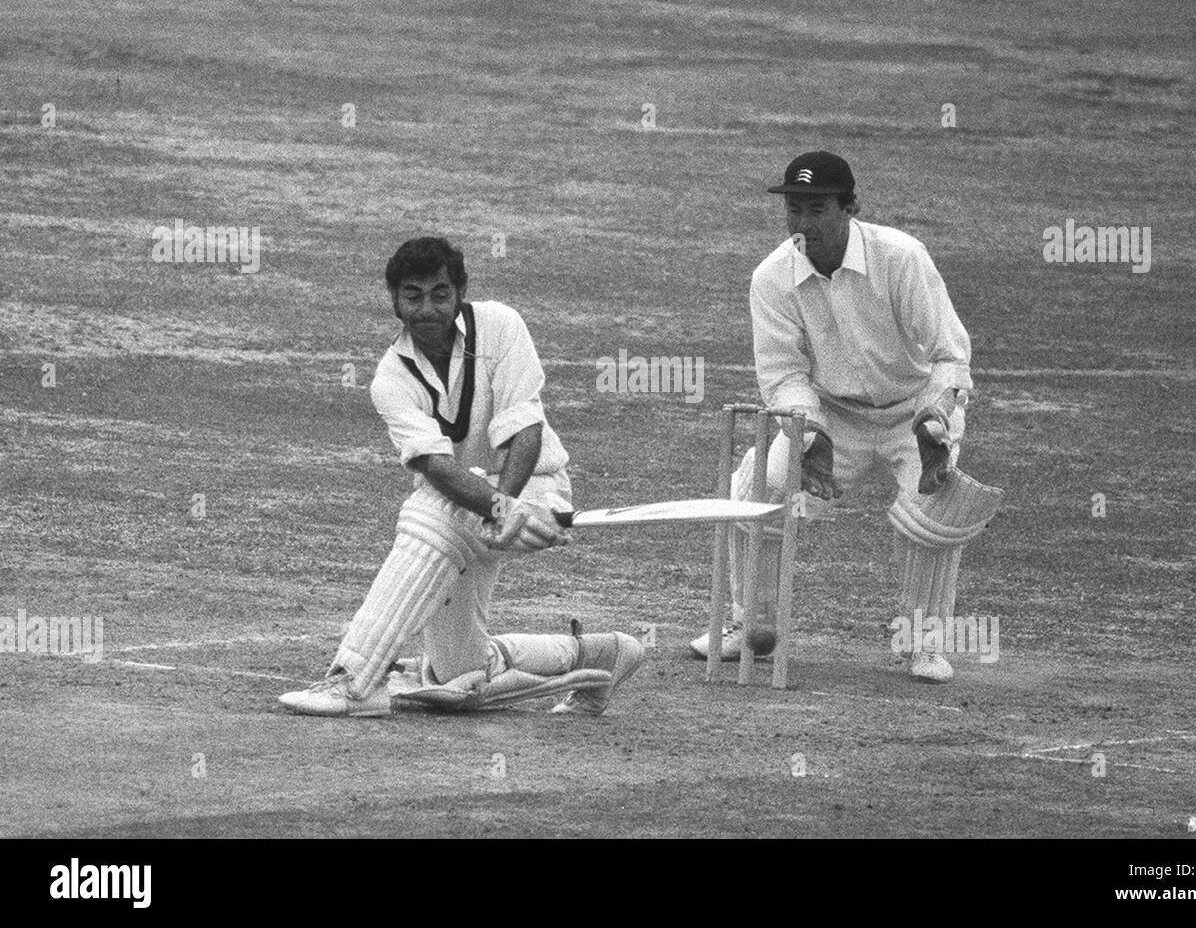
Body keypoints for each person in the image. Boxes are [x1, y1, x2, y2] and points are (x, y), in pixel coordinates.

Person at [280, 237, 643, 716]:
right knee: (457, 671)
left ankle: (355, 681)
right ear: (393, 301)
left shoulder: (501, 325)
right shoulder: (390, 379)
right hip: (474, 507)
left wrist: (506, 505)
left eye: (439, 294)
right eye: (412, 296)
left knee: (429, 509)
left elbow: (525, 430)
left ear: (460, 291)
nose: (427, 308)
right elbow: (435, 465)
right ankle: (602, 653)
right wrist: (495, 508)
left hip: (537, 489)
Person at [690, 152, 1002, 684]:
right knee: (757, 483)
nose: (803, 225)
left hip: (914, 409)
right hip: (830, 412)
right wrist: (809, 431)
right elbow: (783, 374)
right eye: (794, 209)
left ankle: (923, 644)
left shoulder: (901, 257)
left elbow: (950, 354)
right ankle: (751, 624)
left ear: (850, 206)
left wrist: (937, 416)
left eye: (817, 210)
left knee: (933, 515)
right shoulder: (772, 278)